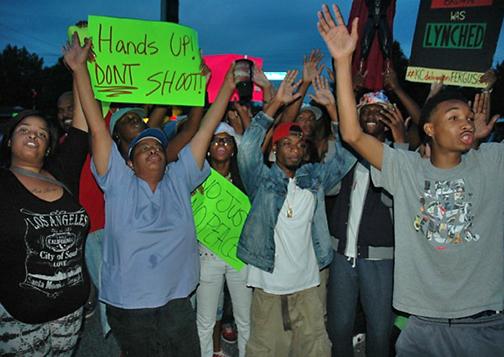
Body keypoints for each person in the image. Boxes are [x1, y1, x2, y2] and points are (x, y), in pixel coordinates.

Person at [318, 4, 504, 356]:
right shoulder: (405, 169)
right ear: (429, 129)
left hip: (484, 325)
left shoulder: (493, 163)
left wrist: (481, 135)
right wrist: (343, 62)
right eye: (454, 116)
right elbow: (353, 135)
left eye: (468, 116)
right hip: (421, 327)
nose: (465, 122)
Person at [65, 32, 236, 356]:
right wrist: (79, 71)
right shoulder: (118, 181)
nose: (154, 149)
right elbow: (98, 129)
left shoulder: (178, 177)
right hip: (131, 307)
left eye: (158, 145)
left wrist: (222, 87)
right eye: (143, 147)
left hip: (176, 301)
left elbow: (201, 131)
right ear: (129, 162)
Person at [237, 70, 356, 357]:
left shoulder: (313, 178)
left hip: (309, 285)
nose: (294, 149)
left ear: (305, 152)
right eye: (286, 144)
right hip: (268, 285)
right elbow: (247, 150)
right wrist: (275, 103)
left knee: (314, 349)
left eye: (299, 145)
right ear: (275, 150)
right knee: (267, 351)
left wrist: (331, 109)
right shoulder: (261, 180)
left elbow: (346, 156)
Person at [0, 101, 90, 354]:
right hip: (19, 317)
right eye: (24, 130)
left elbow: (81, 129)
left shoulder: (62, 174)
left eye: (42, 133)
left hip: (70, 313)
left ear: (49, 147)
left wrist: (79, 69)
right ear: (9, 141)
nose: (34, 135)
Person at [326, 91, 407, 357]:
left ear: (388, 121)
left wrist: (401, 142)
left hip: (380, 261)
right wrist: (332, 107)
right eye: (366, 111)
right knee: (338, 328)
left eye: (379, 111)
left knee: (380, 331)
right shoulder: (347, 157)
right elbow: (327, 184)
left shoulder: (398, 157)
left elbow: (402, 193)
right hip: (341, 258)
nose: (372, 115)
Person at [196, 122, 252, 357]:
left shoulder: (246, 180)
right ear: (207, 148)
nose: (221, 143)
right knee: (206, 321)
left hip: (239, 258)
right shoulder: (195, 179)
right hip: (207, 258)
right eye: (216, 139)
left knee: (245, 319)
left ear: (233, 149)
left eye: (226, 140)